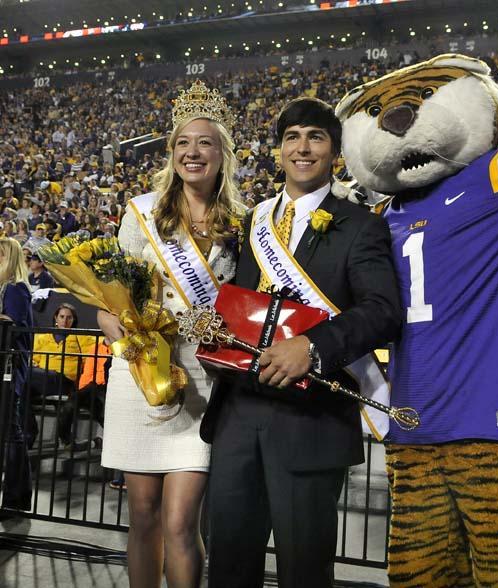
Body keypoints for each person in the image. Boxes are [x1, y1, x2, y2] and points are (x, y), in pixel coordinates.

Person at [201, 97, 402, 588]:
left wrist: (311, 347)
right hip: (239, 414)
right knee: (227, 563)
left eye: (315, 136)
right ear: (278, 151)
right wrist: (217, 335)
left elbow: (382, 311)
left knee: (304, 571)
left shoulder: (362, 225)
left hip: (309, 420)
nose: (302, 147)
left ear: (333, 151)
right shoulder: (254, 223)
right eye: (292, 137)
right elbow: (246, 308)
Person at [95, 80, 239, 588]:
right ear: (172, 152)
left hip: (201, 382)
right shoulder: (141, 215)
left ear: (222, 153)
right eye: (182, 142)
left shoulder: (241, 225)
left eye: (204, 142)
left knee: (181, 522)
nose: (192, 152)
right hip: (141, 373)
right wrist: (113, 326)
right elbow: (108, 300)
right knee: (143, 514)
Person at [29, 303, 95, 447]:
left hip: (64, 381)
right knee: (20, 388)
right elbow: (34, 359)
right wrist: (32, 363)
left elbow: (90, 359)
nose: (65, 321)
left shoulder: (80, 337)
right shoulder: (44, 336)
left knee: (22, 378)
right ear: (55, 318)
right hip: (41, 379)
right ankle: (29, 432)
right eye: (62, 317)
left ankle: (29, 433)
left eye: (69, 318)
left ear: (73, 320)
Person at [0, 238, 34, 510]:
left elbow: (15, 324)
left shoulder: (15, 288)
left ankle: (16, 497)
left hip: (10, 366)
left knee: (12, 431)